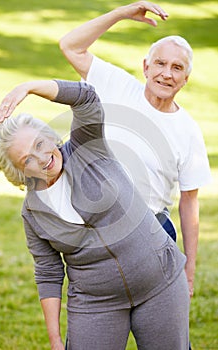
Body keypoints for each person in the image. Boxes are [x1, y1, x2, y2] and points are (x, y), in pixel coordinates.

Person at [0, 79, 190, 349]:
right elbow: (48, 272)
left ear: (49, 136)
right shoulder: (33, 213)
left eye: (39, 144)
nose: (41, 157)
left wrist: (27, 87)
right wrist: (55, 339)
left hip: (159, 282)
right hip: (96, 302)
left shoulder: (87, 147)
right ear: (19, 173)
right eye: (27, 160)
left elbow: (85, 97)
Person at [59, 1, 211, 301]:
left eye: (177, 68)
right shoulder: (117, 85)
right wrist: (121, 13)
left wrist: (189, 268)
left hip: (154, 232)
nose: (167, 74)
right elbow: (70, 46)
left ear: (185, 79)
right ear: (145, 66)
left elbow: (190, 204)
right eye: (160, 64)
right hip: (100, 230)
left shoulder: (189, 130)